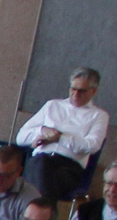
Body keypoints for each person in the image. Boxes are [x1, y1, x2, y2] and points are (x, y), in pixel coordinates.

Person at [17, 65, 109, 200]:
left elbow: (93, 146)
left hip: (68, 167)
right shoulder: (52, 105)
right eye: (73, 89)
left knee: (41, 176)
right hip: (40, 160)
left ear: (93, 91)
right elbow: (20, 137)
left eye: (82, 91)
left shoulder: (99, 116)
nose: (76, 94)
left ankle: (33, 211)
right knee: (40, 165)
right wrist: (42, 131)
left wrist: (60, 138)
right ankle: (43, 211)